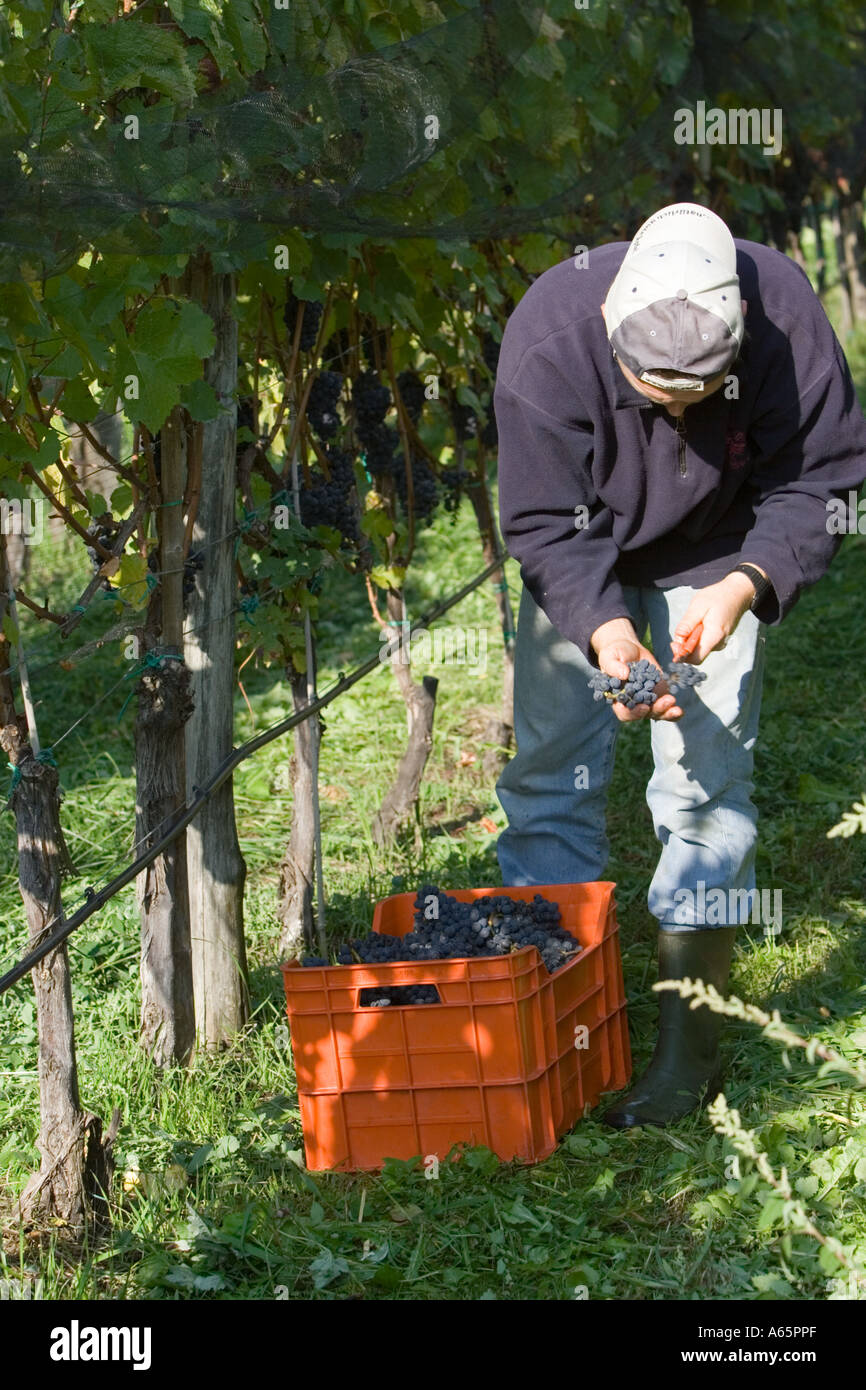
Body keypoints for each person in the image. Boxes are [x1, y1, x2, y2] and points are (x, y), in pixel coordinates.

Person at [493, 202, 866, 1128]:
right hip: (591, 553)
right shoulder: (550, 337)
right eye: (651, 392)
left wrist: (744, 584)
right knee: (549, 779)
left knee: (705, 793)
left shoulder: (783, 314)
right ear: (613, 335)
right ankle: (550, 1017)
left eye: (696, 398)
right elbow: (541, 521)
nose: (673, 413)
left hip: (720, 557)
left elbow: (823, 481)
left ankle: (682, 1059)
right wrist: (606, 633)